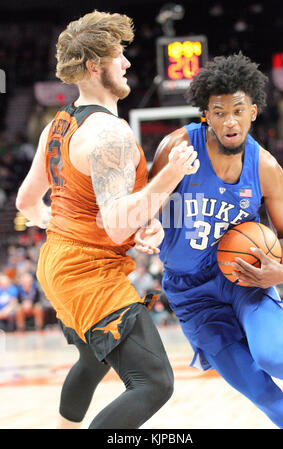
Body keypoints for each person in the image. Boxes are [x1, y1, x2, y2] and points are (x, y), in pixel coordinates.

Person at [15, 10, 199, 429]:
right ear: (95, 65)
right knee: (154, 382)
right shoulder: (108, 134)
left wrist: (86, 227)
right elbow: (115, 223)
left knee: (91, 358)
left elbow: (28, 202)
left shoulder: (57, 126)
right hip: (85, 273)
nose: (128, 63)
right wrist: (168, 178)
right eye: (120, 55)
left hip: (57, 262)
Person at [135, 53, 283, 429]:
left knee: (274, 356)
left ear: (253, 112)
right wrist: (146, 225)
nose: (229, 121)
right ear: (204, 115)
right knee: (261, 392)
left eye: (238, 110)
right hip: (192, 294)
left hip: (245, 279)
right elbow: (145, 206)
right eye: (219, 111)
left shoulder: (266, 168)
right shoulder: (178, 148)